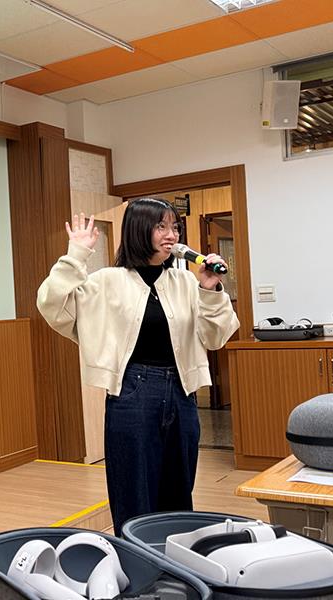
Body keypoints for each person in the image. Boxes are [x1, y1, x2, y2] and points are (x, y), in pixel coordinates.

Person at [36, 197, 239, 535]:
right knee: (133, 493)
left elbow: (216, 337)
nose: (171, 235)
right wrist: (75, 256)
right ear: (138, 230)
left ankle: (174, 559)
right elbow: (52, 305)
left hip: (182, 394)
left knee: (178, 491)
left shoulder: (186, 282)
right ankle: (136, 561)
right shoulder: (106, 281)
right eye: (161, 226)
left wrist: (210, 290)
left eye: (174, 227)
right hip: (132, 394)